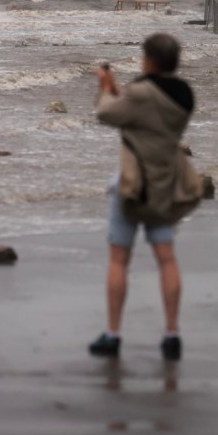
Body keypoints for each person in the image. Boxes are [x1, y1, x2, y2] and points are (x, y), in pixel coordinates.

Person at [88, 33, 200, 361]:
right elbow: (145, 108)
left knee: (119, 259)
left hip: (134, 186)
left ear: (149, 59)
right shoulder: (184, 94)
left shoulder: (140, 93)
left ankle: (113, 334)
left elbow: (108, 114)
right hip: (166, 184)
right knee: (167, 258)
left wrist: (106, 88)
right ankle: (172, 334)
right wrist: (123, 90)